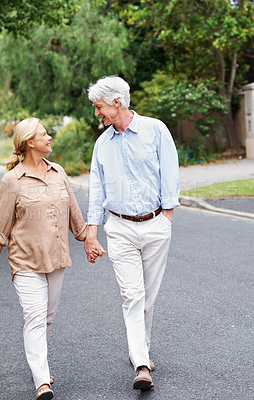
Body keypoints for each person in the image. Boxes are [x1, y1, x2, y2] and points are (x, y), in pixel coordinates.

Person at [84, 76, 180, 391]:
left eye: (99, 107)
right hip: (120, 228)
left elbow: (170, 172)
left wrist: (166, 216)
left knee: (147, 296)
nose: (97, 113)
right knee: (132, 295)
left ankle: (141, 348)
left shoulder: (155, 130)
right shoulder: (102, 144)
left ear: (116, 103)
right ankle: (140, 363)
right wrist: (92, 231)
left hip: (155, 224)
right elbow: (96, 189)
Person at [0, 118, 88, 400]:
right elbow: (1, 225)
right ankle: (42, 382)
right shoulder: (12, 181)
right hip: (25, 261)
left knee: (47, 317)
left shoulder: (59, 173)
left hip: (55, 258)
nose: (50, 138)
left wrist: (88, 239)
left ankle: (38, 364)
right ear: (29, 142)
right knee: (34, 317)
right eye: (44, 134)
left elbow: (75, 214)